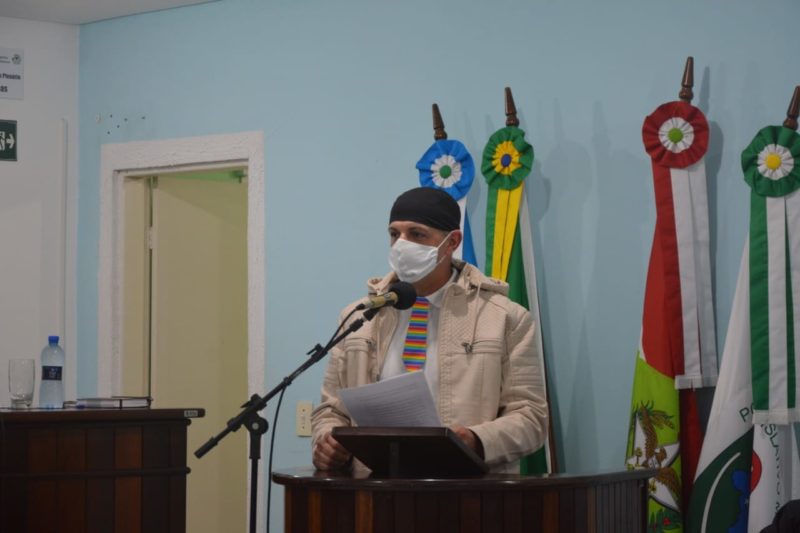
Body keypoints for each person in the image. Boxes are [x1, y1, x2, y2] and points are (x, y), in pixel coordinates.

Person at [311, 186, 548, 473]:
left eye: (417, 234)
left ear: (452, 242)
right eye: (394, 234)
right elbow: (331, 410)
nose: (401, 244)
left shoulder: (504, 318)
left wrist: (475, 440)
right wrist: (327, 441)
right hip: (374, 488)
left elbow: (531, 417)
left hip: (467, 488)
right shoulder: (360, 317)